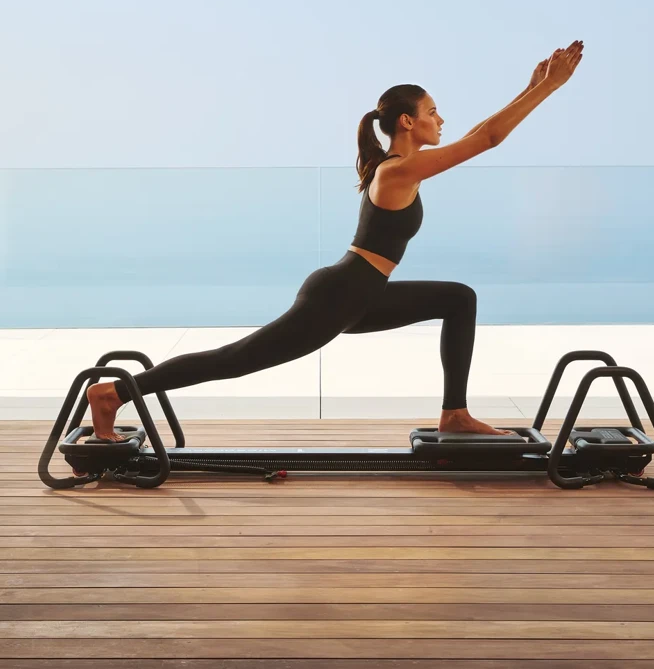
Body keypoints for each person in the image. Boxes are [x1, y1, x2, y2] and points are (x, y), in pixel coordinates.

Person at [86, 41, 583, 441]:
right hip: (342, 293)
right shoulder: (398, 170)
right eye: (433, 111)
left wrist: (530, 85)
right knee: (233, 360)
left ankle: (455, 413)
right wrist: (549, 88)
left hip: (360, 293)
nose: (441, 119)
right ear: (407, 122)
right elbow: (486, 139)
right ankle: (115, 393)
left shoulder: (399, 169)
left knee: (458, 298)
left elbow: (477, 133)